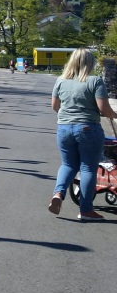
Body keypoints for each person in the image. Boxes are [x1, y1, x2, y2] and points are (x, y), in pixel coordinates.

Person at [48, 48, 116, 221]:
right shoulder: (94, 81)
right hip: (88, 129)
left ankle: (58, 194)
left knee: (68, 164)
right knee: (87, 168)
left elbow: (55, 106)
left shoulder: (61, 80)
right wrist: (114, 115)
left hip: (64, 128)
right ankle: (85, 210)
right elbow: (104, 109)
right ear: (90, 63)